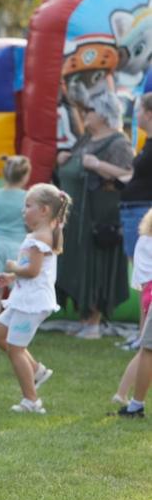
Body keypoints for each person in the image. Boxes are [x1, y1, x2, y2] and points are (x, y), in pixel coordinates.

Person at [56, 90, 133, 340]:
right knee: (79, 265)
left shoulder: (119, 143)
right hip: (77, 219)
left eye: (90, 110)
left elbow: (127, 175)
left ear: (103, 114)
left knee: (97, 266)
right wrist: (66, 158)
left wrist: (98, 165)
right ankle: (83, 318)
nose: (85, 113)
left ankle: (94, 322)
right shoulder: (86, 138)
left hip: (99, 219)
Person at [0, 184, 72, 414]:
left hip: (32, 303)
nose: (23, 211)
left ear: (44, 210)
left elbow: (32, 271)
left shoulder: (39, 239)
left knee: (16, 349)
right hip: (24, 299)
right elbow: (33, 269)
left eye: (28, 206)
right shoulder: (40, 236)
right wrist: (12, 276)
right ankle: (36, 370)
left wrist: (13, 266)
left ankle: (31, 401)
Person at [115, 92, 152, 348]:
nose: (137, 115)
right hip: (135, 210)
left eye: (139, 110)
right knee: (142, 275)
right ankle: (142, 334)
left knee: (145, 275)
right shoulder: (147, 143)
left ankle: (143, 337)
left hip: (142, 212)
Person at [0, 155, 30, 317]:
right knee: (18, 289)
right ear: (25, 176)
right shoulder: (27, 197)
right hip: (19, 248)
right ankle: (15, 323)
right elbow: (30, 224)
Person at [113, 207, 152, 405]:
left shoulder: (143, 241)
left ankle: (122, 392)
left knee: (145, 350)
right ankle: (127, 396)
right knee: (147, 350)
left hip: (147, 294)